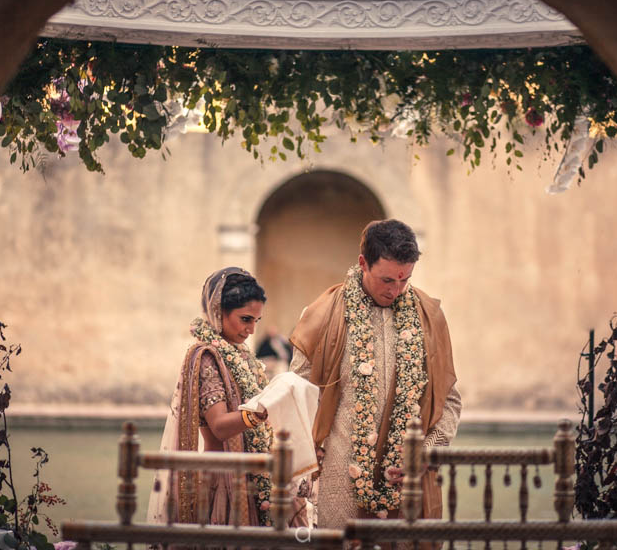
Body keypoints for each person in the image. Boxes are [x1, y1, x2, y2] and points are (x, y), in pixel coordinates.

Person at [290, 219, 461, 527]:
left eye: (405, 280)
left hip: (408, 481)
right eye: (386, 280)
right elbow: (296, 397)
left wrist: (423, 452)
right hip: (338, 481)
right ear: (362, 263)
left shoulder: (430, 318)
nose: (396, 290)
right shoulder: (322, 315)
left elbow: (449, 402)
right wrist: (308, 454)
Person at [148, 267, 274, 527]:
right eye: (245, 319)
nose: (251, 329)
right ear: (219, 312)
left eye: (256, 321)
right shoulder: (207, 357)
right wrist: (261, 413)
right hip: (222, 482)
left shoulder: (241, 354)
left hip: (249, 476)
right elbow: (219, 427)